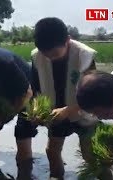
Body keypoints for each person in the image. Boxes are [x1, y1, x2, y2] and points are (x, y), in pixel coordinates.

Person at [15, 17, 97, 179]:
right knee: (52, 151)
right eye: (46, 55)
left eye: (55, 54)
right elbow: (36, 89)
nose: (50, 58)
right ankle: (56, 176)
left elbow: (94, 96)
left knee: (90, 155)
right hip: (56, 112)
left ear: (67, 40)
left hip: (82, 111)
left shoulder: (84, 56)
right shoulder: (37, 56)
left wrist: (68, 110)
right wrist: (38, 111)